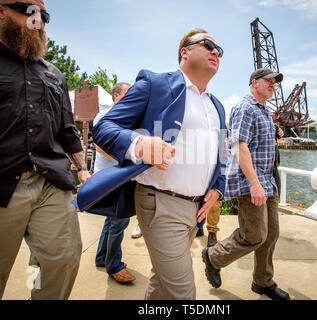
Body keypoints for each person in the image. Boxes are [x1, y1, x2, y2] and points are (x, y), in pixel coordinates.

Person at [0, 0, 90, 300]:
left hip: (51, 184)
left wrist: (82, 168)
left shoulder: (54, 74)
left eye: (43, 14)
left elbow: (67, 131)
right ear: (0, 10)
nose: (37, 20)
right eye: (27, 9)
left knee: (61, 260)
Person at [91, 28, 227, 299]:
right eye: (208, 44)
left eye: (219, 50)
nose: (215, 51)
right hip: (160, 202)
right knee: (183, 294)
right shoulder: (156, 85)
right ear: (184, 52)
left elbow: (221, 154)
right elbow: (105, 127)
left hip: (195, 209)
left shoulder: (218, 106)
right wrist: (138, 145)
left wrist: (218, 189)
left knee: (160, 285)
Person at [202, 68, 291, 300]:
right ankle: (213, 257)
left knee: (271, 235)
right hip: (252, 182)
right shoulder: (245, 108)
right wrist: (254, 184)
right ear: (254, 83)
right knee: (253, 235)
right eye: (268, 81)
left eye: (275, 82)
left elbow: (263, 144)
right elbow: (241, 147)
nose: (273, 84)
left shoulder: (264, 111)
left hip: (268, 181)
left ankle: (262, 282)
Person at [93, 82, 136, 283]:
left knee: (111, 219)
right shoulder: (106, 115)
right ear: (117, 95)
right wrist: (124, 157)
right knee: (120, 219)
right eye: (128, 92)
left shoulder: (122, 115)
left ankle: (102, 257)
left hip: (117, 175)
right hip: (110, 175)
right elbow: (98, 144)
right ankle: (114, 265)